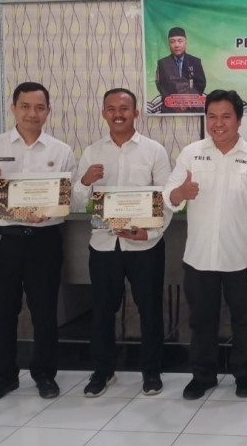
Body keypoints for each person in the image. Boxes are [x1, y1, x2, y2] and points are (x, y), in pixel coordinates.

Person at [0, 81, 76, 403]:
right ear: (13, 108)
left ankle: (45, 374)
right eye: (25, 106)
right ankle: (4, 377)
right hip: (3, 242)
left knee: (45, 312)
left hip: (44, 241)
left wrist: (51, 211)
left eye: (39, 107)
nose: (32, 113)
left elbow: (68, 199)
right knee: (3, 312)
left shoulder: (61, 151)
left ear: (48, 111)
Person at [163, 89, 247, 400]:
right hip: (199, 256)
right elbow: (168, 195)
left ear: (239, 120)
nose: (218, 123)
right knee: (201, 320)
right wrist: (180, 193)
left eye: (226, 116)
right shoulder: (191, 153)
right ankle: (202, 375)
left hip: (240, 255)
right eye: (212, 116)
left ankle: (244, 374)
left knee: (244, 320)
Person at [71, 88, 172, 397]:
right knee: (103, 310)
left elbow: (166, 199)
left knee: (150, 309)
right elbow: (76, 201)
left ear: (135, 113)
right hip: (104, 245)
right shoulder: (92, 153)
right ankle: (102, 371)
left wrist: (150, 234)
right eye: (112, 108)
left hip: (145, 245)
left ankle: (151, 371)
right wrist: (85, 181)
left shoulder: (154, 151)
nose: (118, 114)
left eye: (124, 108)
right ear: (104, 113)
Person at [155, 26, 207, 114]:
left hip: (192, 106)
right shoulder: (162, 63)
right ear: (169, 44)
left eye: (180, 41)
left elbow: (201, 83)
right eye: (172, 42)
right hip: (170, 106)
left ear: (185, 42)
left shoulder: (195, 61)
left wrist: (187, 100)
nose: (176, 45)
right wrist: (176, 102)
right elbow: (161, 85)